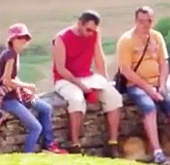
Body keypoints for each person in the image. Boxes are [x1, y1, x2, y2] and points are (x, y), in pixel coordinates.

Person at [116, 6, 170, 165]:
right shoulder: (126, 40)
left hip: (157, 81)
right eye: (142, 21)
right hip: (136, 84)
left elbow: (164, 62)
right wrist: (148, 89)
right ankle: (157, 151)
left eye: (148, 21)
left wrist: (162, 84)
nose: (145, 25)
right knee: (149, 108)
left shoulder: (156, 37)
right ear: (136, 21)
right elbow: (126, 70)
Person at [52, 10, 123, 155]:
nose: (90, 33)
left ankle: (113, 143)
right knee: (76, 100)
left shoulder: (95, 34)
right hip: (65, 78)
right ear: (80, 23)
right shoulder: (62, 38)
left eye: (93, 30)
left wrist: (105, 80)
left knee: (114, 97)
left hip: (87, 75)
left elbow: (98, 57)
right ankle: (75, 144)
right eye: (88, 29)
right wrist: (81, 86)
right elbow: (61, 68)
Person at [0, 24, 64, 154]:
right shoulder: (10, 55)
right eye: (20, 38)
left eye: (26, 38)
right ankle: (27, 156)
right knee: (35, 127)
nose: (24, 41)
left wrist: (26, 89)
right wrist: (26, 86)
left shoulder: (14, 55)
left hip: (19, 95)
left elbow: (13, 78)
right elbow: (7, 80)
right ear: (12, 39)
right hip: (9, 100)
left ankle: (49, 144)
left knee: (45, 108)